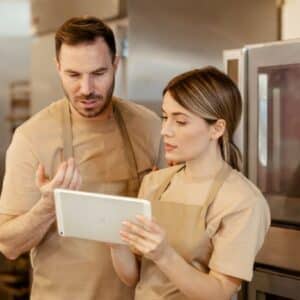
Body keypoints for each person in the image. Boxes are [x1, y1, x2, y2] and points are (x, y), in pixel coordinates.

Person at [0, 16, 164, 300]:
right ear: (58, 68)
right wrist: (48, 206)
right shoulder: (32, 137)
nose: (86, 88)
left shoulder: (149, 127)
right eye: (73, 75)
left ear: (116, 65)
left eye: (99, 73)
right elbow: (9, 245)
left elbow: (173, 222)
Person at [110, 66, 271, 300]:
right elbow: (135, 277)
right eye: (165, 117)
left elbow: (220, 292)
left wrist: (164, 255)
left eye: (181, 121)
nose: (165, 130)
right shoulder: (154, 183)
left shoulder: (243, 202)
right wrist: (113, 241)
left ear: (217, 129)